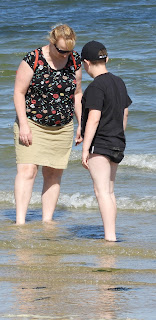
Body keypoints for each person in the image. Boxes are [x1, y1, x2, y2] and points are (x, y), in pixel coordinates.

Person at [14, 24, 83, 225]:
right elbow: (18, 93)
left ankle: (47, 222)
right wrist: (24, 126)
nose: (65, 55)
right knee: (28, 171)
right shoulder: (33, 59)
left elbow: (77, 94)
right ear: (51, 43)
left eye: (68, 51)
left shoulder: (74, 60)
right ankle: (20, 223)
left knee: (53, 173)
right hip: (32, 123)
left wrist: (81, 123)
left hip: (62, 127)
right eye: (61, 50)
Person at [81, 40, 132, 241]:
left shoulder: (95, 87)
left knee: (101, 191)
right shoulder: (119, 82)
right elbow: (125, 113)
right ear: (107, 59)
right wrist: (118, 134)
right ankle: (111, 235)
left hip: (99, 144)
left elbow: (94, 118)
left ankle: (110, 237)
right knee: (109, 191)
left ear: (86, 63)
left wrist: (85, 148)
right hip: (117, 142)